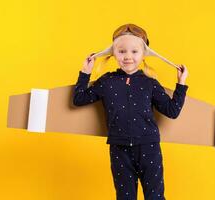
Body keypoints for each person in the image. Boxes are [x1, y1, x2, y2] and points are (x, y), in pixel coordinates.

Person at [72, 23, 189, 200]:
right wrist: (85, 73)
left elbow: (172, 111)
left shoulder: (150, 83)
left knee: (155, 197)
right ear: (113, 53)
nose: (128, 57)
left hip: (149, 148)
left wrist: (181, 84)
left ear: (143, 55)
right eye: (122, 51)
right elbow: (79, 99)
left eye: (134, 52)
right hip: (119, 149)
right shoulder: (106, 81)